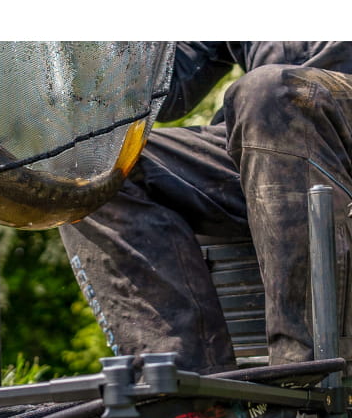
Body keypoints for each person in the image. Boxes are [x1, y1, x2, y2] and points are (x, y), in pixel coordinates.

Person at [59, 42, 352, 375]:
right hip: (261, 140)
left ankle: (309, 373)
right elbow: (166, 90)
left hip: (305, 119)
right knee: (90, 167)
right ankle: (182, 385)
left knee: (269, 91)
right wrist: (91, 52)